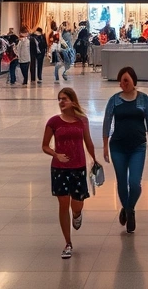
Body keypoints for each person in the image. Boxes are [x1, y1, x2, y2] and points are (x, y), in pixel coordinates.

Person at [42, 88, 99, 259]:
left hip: (78, 167)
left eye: (64, 99)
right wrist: (56, 154)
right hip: (59, 168)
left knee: (77, 203)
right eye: (59, 99)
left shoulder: (82, 120)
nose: (61, 102)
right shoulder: (53, 122)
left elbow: (88, 142)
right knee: (63, 203)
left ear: (73, 101)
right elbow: (45, 145)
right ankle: (68, 242)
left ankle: (77, 214)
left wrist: (94, 160)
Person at [102, 67, 148, 233]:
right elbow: (107, 122)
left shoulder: (143, 99)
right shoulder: (114, 100)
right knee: (121, 182)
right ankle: (128, 210)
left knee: (134, 183)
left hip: (138, 146)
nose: (123, 83)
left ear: (133, 80)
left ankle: (128, 208)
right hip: (117, 146)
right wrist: (105, 145)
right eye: (121, 81)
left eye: (126, 80)